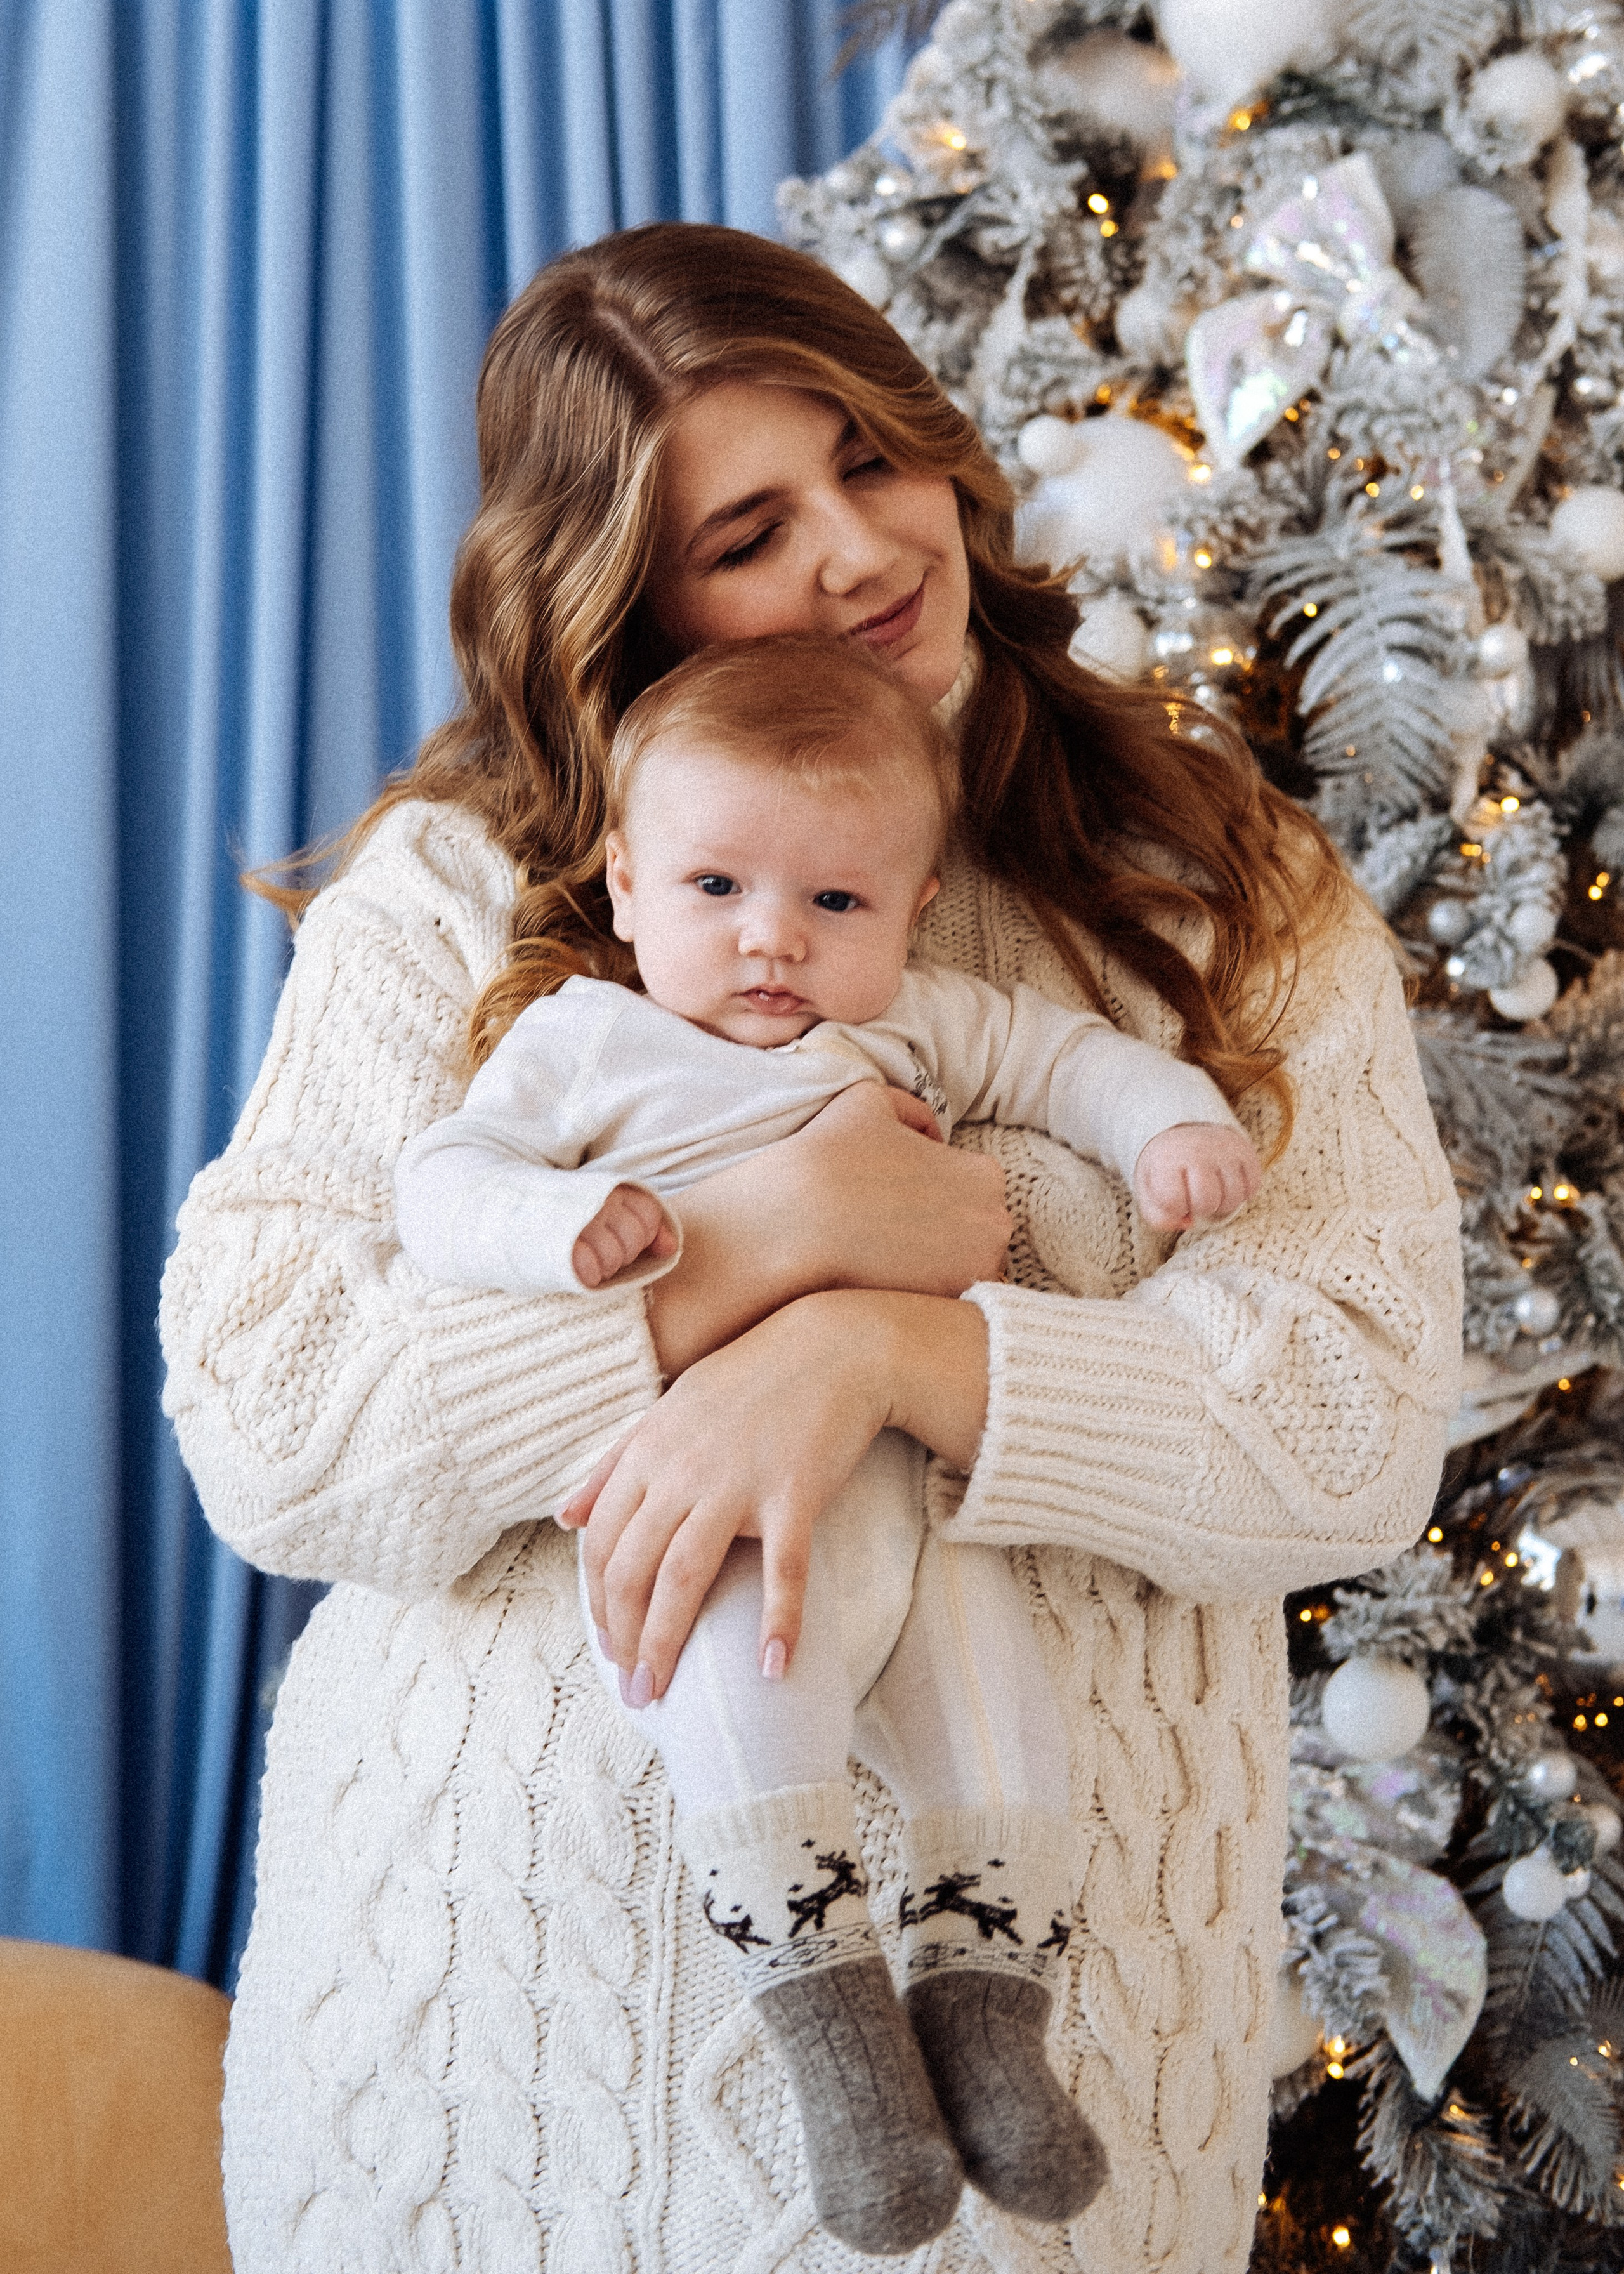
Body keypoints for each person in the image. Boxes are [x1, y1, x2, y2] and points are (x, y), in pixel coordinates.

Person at [159, 220, 1462, 2274]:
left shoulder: (1217, 883)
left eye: (871, 459)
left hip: (1054, 2111)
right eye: (752, 528)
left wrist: (887, 1357)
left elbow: (1356, 1414)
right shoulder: (466, 896)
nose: (861, 552)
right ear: (632, 596)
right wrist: (766, 1246)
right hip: (504, 2087)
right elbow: (275, 1416)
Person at [391, 630, 1263, 2252]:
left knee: (997, 1722)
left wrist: (1172, 1131)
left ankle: (988, 2033)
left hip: (927, 1498)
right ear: (626, 881)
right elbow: (440, 1179)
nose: (771, 941)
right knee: (738, 1698)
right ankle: (840, 2046)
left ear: (913, 909)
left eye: (835, 904)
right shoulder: (589, 1041)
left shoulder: (919, 1027)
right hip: (714, 1508)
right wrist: (558, 1227)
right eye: (716, 887)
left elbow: (1070, 1059)